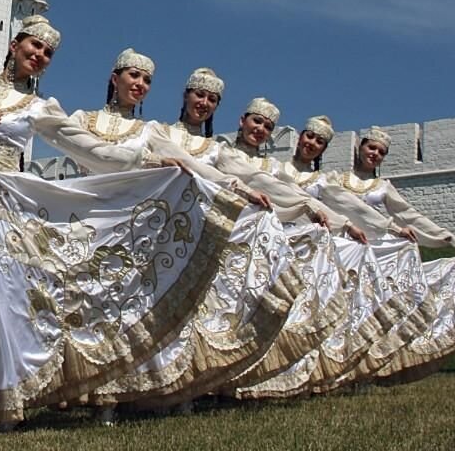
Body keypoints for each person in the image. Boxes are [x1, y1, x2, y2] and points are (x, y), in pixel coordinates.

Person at [0, 17, 261, 436]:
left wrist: (148, 162)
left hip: (4, 207)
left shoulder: (38, 107)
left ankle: (3, 401)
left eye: (47, 54)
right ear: (13, 44)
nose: (38, 56)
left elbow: (88, 147)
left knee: (4, 302)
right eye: (33, 47)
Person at [67, 51, 298, 418]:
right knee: (93, 307)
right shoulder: (123, 126)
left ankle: (164, 391)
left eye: (211, 100)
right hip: (93, 219)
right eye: (199, 95)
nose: (203, 104)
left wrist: (276, 199)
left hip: (160, 232)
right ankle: (87, 392)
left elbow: (220, 174)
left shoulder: (165, 136)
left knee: (151, 311)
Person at [238, 116, 398, 399]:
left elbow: (343, 204)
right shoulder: (276, 168)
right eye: (309, 136)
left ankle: (295, 378)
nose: (312, 144)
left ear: (324, 150)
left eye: (319, 142)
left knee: (298, 311)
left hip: (306, 250)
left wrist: (374, 227)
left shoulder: (321, 180)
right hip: (272, 242)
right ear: (300, 137)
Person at [332, 127, 455, 385]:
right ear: (359, 148)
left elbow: (410, 215)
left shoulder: (383, 187)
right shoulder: (336, 180)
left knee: (371, 311)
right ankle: (333, 372)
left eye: (381, 152)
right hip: (345, 249)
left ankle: (366, 372)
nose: (375, 154)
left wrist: (446, 237)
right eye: (371, 148)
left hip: (378, 253)